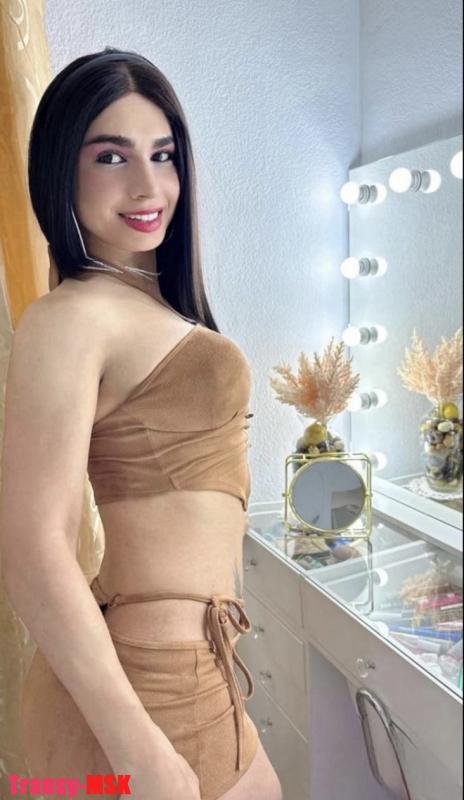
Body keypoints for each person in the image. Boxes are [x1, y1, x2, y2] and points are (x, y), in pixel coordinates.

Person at [0, 48, 282, 800]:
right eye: (110, 156)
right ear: (62, 169)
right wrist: (138, 747)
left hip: (194, 662)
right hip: (149, 682)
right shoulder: (69, 318)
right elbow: (32, 549)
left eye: (163, 155)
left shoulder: (144, 306)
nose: (147, 186)